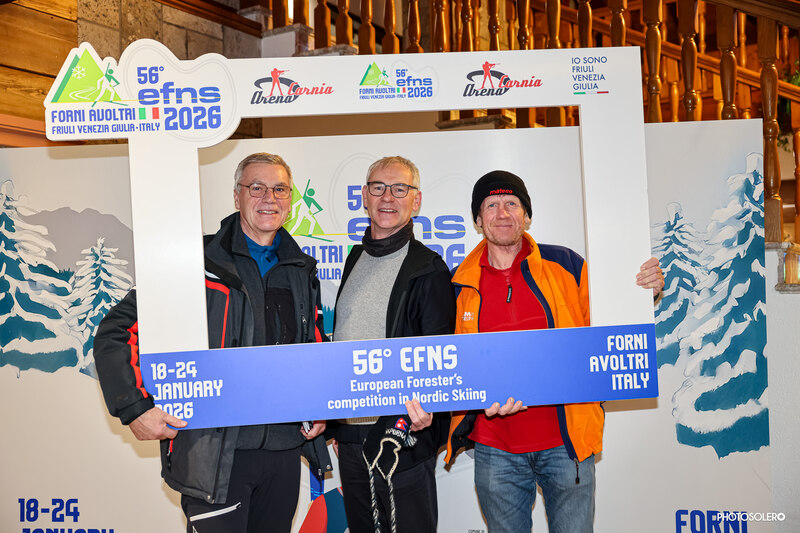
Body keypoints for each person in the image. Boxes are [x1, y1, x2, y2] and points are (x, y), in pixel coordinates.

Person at [94, 153, 329, 533]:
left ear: (290, 199)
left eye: (280, 189)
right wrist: (134, 408)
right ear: (237, 196)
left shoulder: (301, 269)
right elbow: (116, 331)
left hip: (284, 452)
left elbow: (312, 345)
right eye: (257, 187)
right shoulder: (194, 261)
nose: (269, 198)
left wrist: (320, 405)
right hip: (216, 454)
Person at [445, 170, 664, 533]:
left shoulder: (566, 264)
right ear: (478, 220)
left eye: (512, 203)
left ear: (527, 215)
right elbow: (449, 364)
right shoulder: (456, 283)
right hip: (495, 448)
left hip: (565, 444)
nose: (503, 213)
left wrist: (644, 293)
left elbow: (610, 322)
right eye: (492, 205)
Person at [329, 156, 455, 533]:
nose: (388, 197)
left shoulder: (429, 268)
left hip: (402, 435)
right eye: (378, 187)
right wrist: (339, 426)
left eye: (400, 189)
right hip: (351, 437)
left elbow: (440, 355)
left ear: (416, 200)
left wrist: (428, 412)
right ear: (364, 197)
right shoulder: (354, 257)